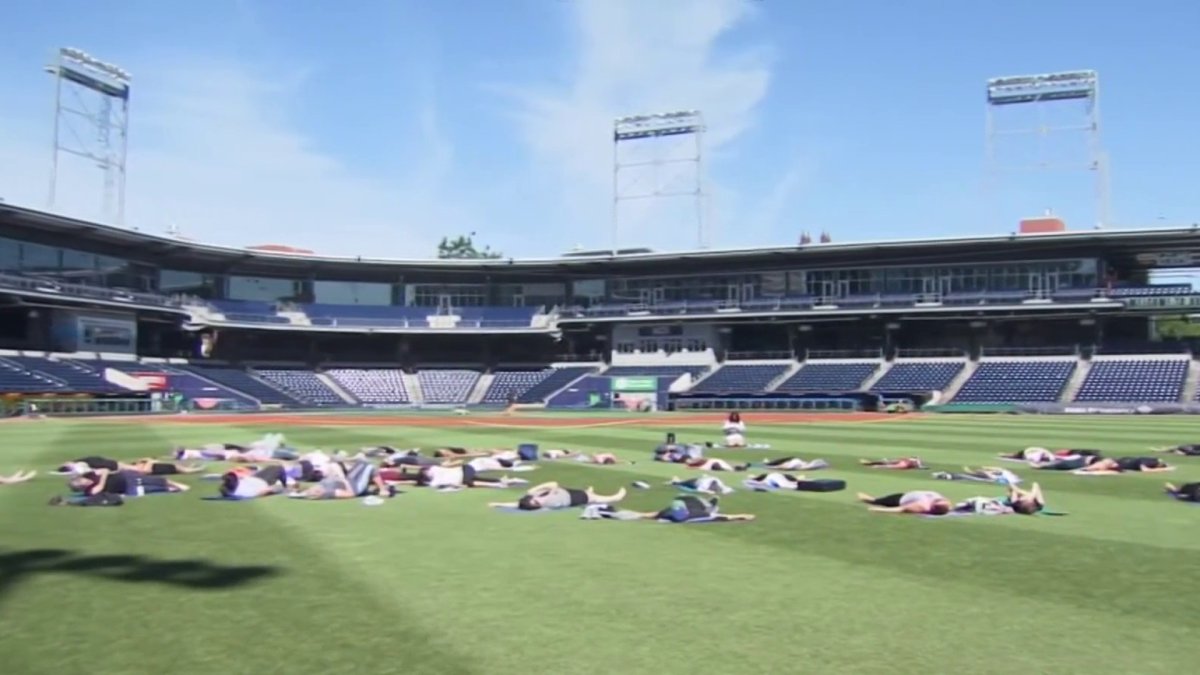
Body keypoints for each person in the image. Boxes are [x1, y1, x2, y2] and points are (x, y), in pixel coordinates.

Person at [489, 482, 627, 511]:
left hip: (567, 492)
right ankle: (616, 497)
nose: (537, 501)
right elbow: (554, 484)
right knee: (594, 498)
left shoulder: (533, 495)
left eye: (534, 501)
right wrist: (547, 491)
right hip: (571, 499)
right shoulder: (547, 501)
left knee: (587, 493)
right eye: (536, 504)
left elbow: (516, 504)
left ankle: (590, 493)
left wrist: (497, 504)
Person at [71, 468, 190, 497]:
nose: (84, 482)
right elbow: (100, 487)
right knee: (154, 488)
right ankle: (172, 489)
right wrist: (104, 476)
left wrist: (103, 473)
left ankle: (177, 485)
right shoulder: (90, 491)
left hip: (127, 477)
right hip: (128, 488)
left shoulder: (89, 475)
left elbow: (103, 470)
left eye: (81, 480)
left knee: (157, 480)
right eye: (81, 484)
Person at [218, 465, 290, 499]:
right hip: (263, 482)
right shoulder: (245, 493)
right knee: (278, 468)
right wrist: (285, 489)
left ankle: (284, 484)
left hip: (253, 478)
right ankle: (285, 484)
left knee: (273, 468)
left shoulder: (229, 489)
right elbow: (266, 491)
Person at [856, 490, 952, 515]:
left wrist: (879, 510)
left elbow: (901, 509)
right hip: (905, 495)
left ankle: (866, 499)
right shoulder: (944, 502)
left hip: (898, 500)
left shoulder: (923, 506)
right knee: (877, 500)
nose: (941, 500)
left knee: (875, 501)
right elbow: (947, 505)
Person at [1074, 456, 1173, 474]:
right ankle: (1084, 469)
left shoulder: (1150, 460)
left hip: (1118, 463)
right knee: (1105, 464)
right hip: (1117, 462)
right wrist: (1166, 469)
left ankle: (1084, 469)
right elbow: (1146, 470)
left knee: (1105, 465)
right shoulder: (1151, 461)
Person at [761, 456, 829, 471]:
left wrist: (770, 467)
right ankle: (768, 463)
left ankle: (768, 463)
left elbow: (781, 467)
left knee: (780, 461)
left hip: (796, 462)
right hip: (797, 462)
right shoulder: (794, 465)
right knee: (781, 461)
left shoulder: (791, 466)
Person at [860, 457, 924, 470]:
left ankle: (874, 464)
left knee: (888, 464)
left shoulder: (904, 465)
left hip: (904, 463)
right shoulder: (912, 461)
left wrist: (879, 467)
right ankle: (870, 463)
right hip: (904, 461)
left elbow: (891, 466)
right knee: (887, 462)